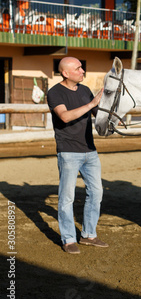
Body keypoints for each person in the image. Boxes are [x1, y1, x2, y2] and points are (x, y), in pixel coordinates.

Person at [47, 56, 107, 254]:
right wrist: (91, 105)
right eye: (78, 68)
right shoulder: (55, 93)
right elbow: (64, 116)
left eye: (82, 67)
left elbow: (98, 113)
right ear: (65, 73)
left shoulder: (85, 90)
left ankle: (89, 235)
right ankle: (68, 238)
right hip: (68, 152)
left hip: (90, 150)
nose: (83, 71)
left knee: (96, 192)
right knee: (66, 197)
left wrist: (109, 112)